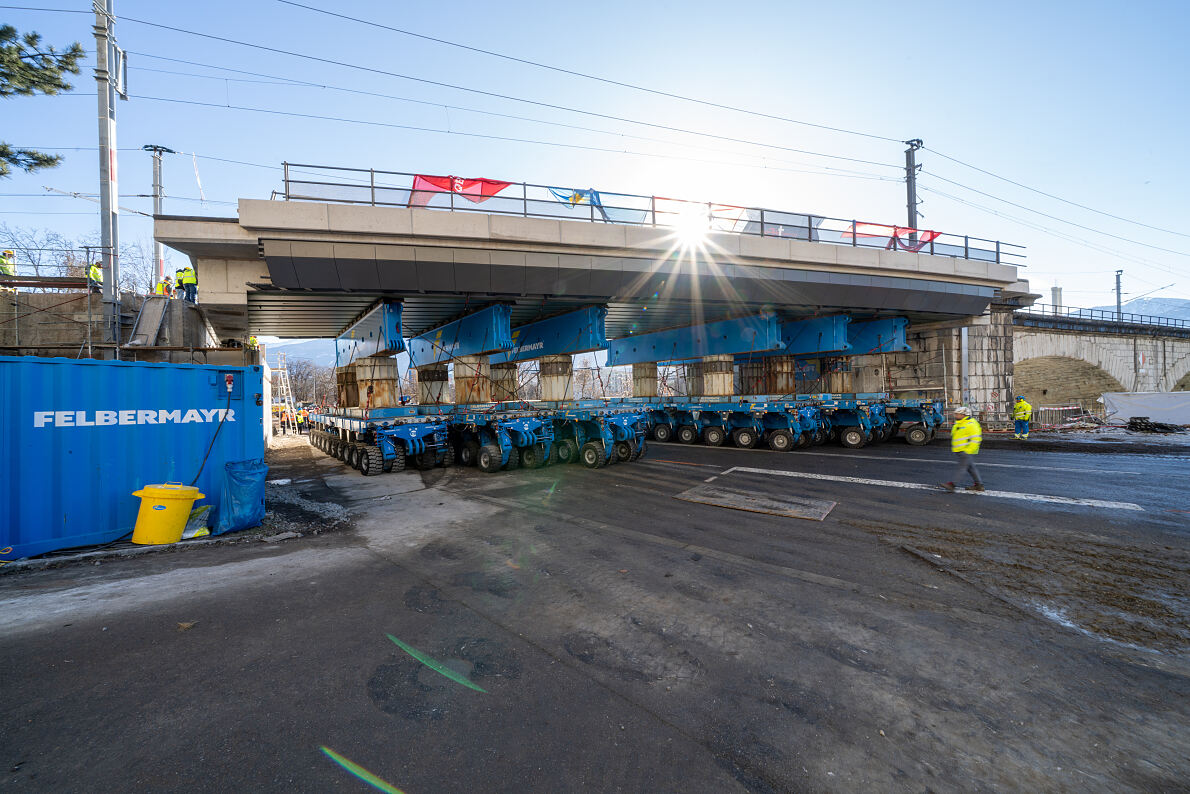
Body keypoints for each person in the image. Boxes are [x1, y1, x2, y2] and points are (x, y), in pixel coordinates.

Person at [941, 406, 984, 492]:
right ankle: (979, 485)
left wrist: (968, 451)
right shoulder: (960, 423)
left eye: (958, 414)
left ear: (964, 415)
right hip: (960, 450)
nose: (956, 415)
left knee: (962, 468)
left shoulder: (971, 424)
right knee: (971, 468)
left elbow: (976, 439)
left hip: (966, 451)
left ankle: (952, 485)